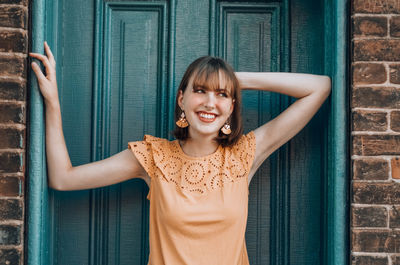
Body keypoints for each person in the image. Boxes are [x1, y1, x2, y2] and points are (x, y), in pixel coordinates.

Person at [29, 41, 331, 265]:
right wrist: (52, 103)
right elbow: (63, 178)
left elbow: (319, 87)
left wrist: (236, 79)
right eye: (200, 90)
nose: (210, 102)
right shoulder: (153, 157)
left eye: (222, 95)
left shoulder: (244, 155)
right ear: (182, 98)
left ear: (231, 108)